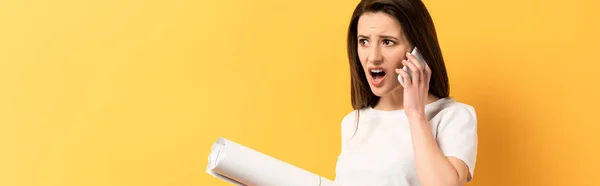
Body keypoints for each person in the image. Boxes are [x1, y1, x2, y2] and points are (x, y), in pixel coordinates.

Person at [334, 0, 478, 186]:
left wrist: (416, 114)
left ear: (417, 51)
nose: (374, 57)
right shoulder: (353, 122)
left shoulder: (454, 116)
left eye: (387, 42)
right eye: (364, 41)